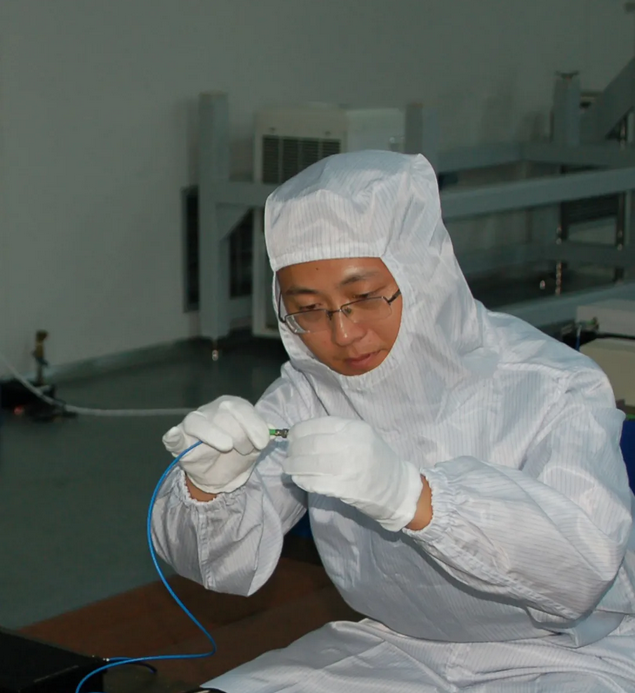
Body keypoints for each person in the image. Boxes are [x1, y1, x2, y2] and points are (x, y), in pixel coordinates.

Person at [152, 151, 635, 692]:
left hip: (575, 652)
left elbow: (579, 571)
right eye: (308, 309)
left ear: (423, 275)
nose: (342, 334)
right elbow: (225, 569)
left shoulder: (553, 384)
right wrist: (210, 490)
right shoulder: (312, 389)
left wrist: (413, 497)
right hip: (399, 649)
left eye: (363, 298)